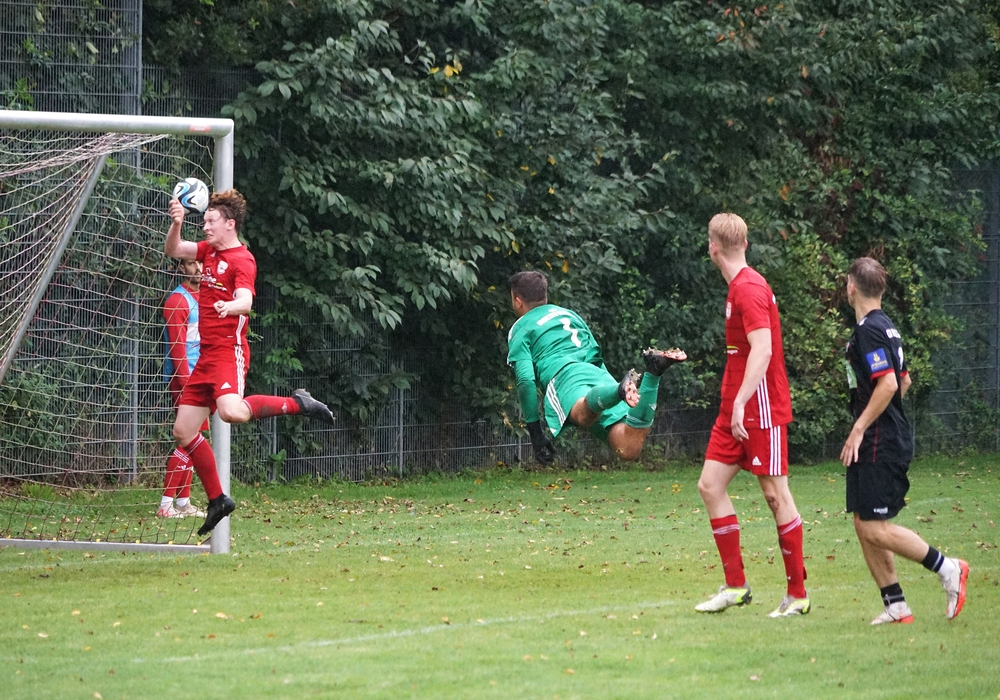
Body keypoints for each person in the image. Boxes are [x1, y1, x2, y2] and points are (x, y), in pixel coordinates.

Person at [164, 189, 336, 536]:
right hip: (206, 358)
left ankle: (297, 403)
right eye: (204, 221)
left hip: (229, 352)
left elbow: (245, 300)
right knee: (183, 431)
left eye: (211, 221)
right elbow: (174, 250)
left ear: (230, 224)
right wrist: (177, 223)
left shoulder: (243, 260)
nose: (205, 226)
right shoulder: (208, 251)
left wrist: (229, 306)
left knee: (232, 413)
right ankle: (217, 500)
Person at [840, 256, 968, 624]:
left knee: (873, 526)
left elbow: (889, 383)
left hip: (878, 440)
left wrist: (862, 427)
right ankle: (895, 604)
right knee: (863, 522)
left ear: (852, 287)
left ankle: (948, 568)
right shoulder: (885, 326)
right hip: (880, 436)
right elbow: (904, 380)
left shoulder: (869, 330)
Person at [694, 213, 808, 617]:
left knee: (776, 496)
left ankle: (797, 595)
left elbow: (763, 350)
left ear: (713, 248)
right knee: (710, 486)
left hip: (761, 410)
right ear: (744, 243)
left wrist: (742, 402)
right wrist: (734, 404)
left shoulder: (750, 288)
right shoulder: (738, 288)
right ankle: (735, 586)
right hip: (736, 409)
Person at [506, 270, 686, 463]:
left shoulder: (521, 327)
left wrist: (535, 432)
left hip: (564, 376)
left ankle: (617, 390)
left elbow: (525, 380)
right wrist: (610, 388)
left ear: (517, 301)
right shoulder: (569, 314)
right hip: (596, 374)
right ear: (545, 296)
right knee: (628, 447)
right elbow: (594, 351)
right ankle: (653, 373)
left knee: (583, 417)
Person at [157, 258, 207, 519]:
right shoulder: (177, 300)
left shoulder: (204, 297)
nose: (198, 268)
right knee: (189, 438)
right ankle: (166, 505)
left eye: (200, 263)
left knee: (194, 438)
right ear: (180, 268)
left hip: (201, 376)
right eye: (191, 264)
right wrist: (188, 383)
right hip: (185, 379)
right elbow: (178, 351)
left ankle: (183, 502)